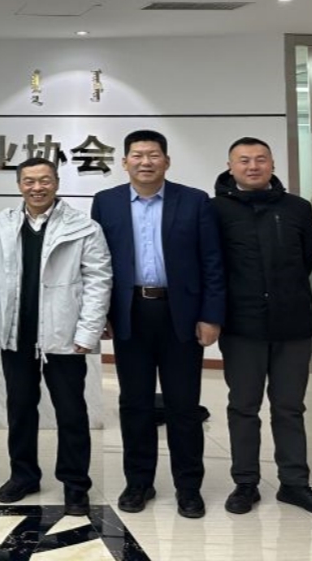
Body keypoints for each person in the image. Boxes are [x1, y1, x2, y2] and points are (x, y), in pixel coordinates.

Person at [91, 129, 225, 519]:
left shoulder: (194, 201)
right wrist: (102, 315)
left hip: (180, 314)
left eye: (153, 155)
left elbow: (212, 262)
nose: (145, 162)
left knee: (183, 405)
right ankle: (138, 482)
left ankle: (189, 487)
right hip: (130, 313)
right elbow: (96, 263)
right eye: (137, 155)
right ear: (124, 162)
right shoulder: (106, 202)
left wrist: (211, 315)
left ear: (167, 161)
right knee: (134, 404)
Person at [212, 137, 312, 516]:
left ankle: (294, 483)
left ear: (272, 164)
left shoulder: (297, 208)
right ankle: (245, 483)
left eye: (260, 159)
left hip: (292, 324)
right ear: (230, 166)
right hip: (241, 326)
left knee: (289, 407)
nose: (253, 166)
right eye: (244, 160)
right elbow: (213, 266)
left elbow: (306, 259)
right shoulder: (215, 210)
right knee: (243, 407)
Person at [0, 157, 112, 517]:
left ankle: (75, 484)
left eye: (44, 180)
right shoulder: (5, 223)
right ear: (19, 185)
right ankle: (23, 476)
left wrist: (88, 331)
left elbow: (98, 280)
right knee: (20, 409)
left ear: (56, 183)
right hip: (17, 334)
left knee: (71, 412)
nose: (37, 187)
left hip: (64, 335)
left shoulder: (83, 226)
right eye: (29, 181)